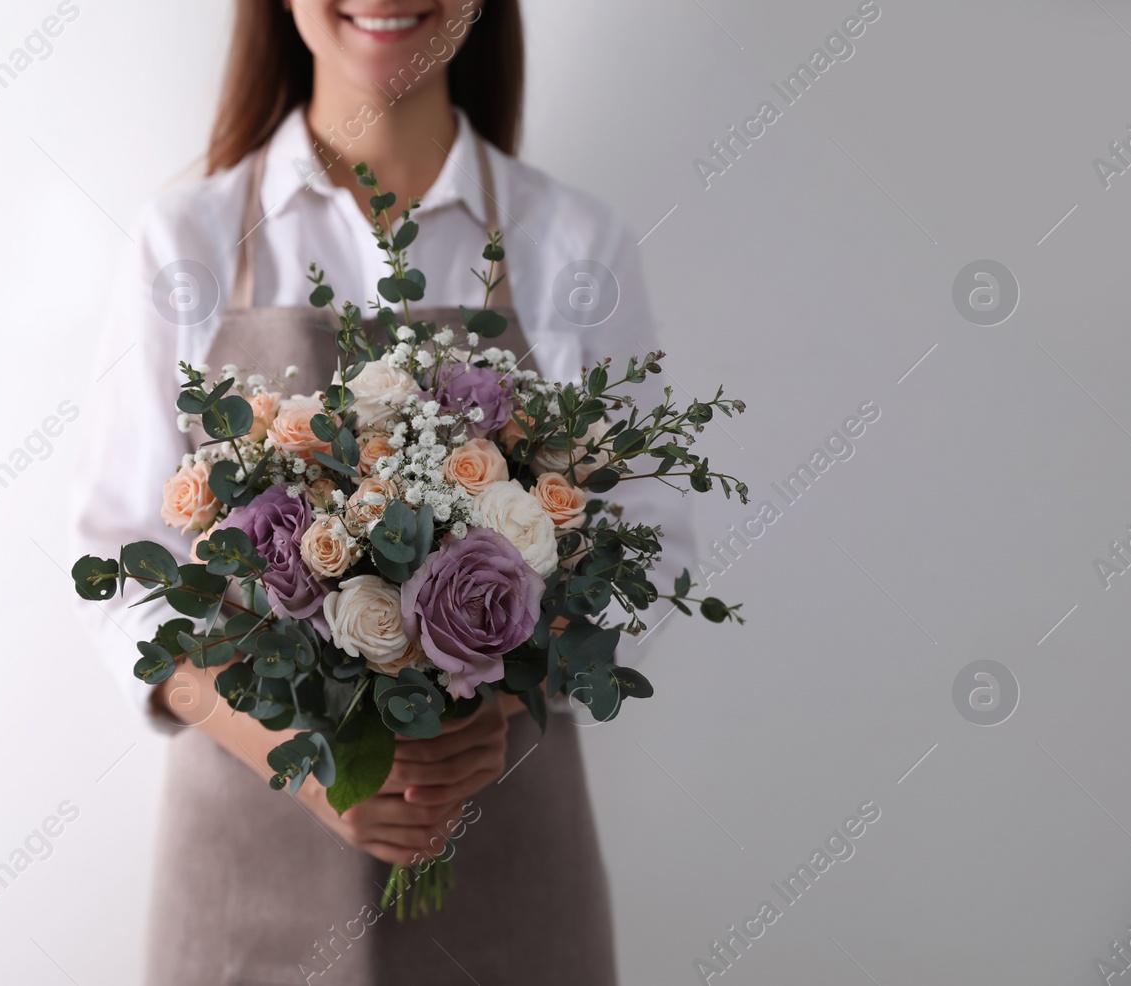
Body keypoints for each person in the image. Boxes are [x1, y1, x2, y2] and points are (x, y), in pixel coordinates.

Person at [72, 2, 694, 981]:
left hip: (508, 894)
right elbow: (119, 576)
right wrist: (287, 744)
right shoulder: (181, 245)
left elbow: (650, 563)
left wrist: (496, 707)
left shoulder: (574, 248)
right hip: (243, 903)